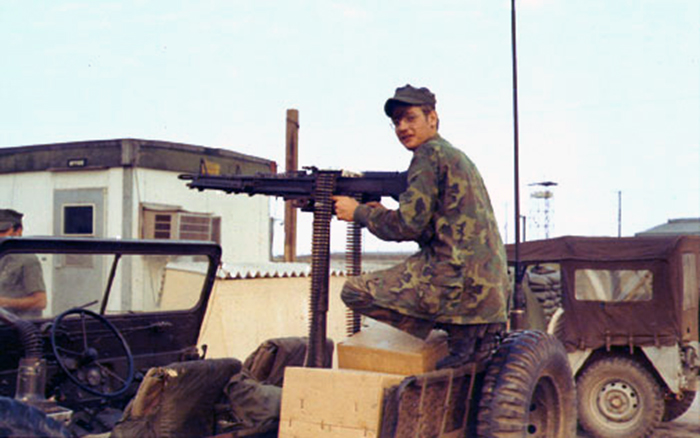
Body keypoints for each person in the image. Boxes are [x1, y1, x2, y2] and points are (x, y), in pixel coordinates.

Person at [333, 85, 510, 368]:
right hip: (487, 293)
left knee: (354, 291)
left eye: (410, 117)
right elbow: (440, 228)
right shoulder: (453, 156)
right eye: (396, 122)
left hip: (455, 284)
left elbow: (407, 226)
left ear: (432, 118)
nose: (402, 127)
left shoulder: (428, 155)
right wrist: (381, 213)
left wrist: (359, 213)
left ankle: (447, 328)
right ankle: (457, 331)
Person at [0, 209, 47, 318]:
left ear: (18, 231)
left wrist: (3, 302)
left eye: (2, 231)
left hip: (20, 329)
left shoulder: (27, 259)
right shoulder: (2, 255)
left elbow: (40, 302)